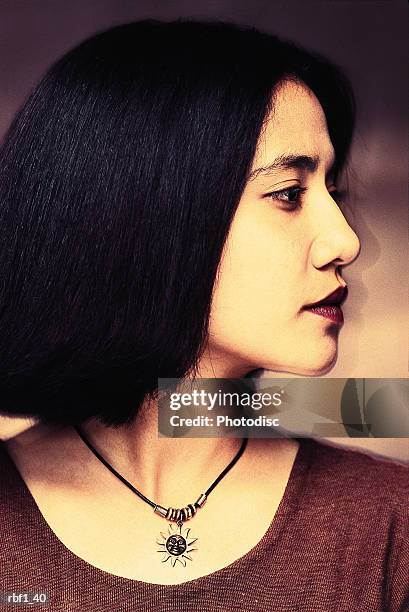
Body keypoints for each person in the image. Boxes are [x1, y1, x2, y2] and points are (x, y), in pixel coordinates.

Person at [0, 19, 407, 612]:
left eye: (334, 196)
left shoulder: (389, 524)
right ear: (143, 216)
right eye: (289, 193)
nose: (346, 242)